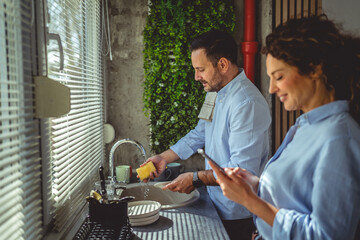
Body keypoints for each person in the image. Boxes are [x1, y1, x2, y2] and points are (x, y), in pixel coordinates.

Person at [210, 15, 360, 240]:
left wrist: (250, 201)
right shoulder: (305, 125)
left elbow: (327, 235)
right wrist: (256, 185)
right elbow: (299, 197)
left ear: (315, 68)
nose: (271, 89)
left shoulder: (338, 137)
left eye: (278, 77)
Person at [141, 29, 271, 240]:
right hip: (215, 201)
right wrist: (164, 158)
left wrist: (196, 179)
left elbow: (241, 171)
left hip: (236, 212)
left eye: (200, 69)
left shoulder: (247, 103)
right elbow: (199, 133)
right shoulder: (215, 93)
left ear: (222, 64)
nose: (196, 77)